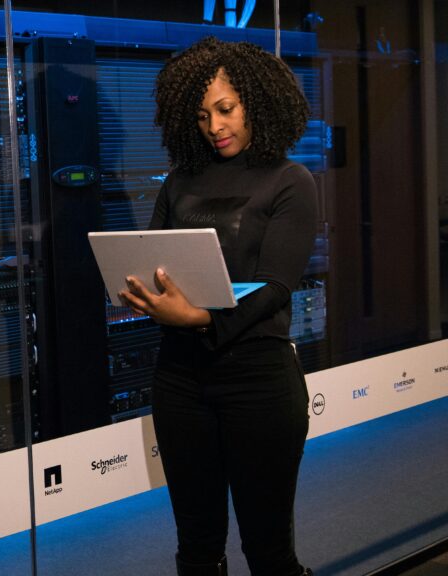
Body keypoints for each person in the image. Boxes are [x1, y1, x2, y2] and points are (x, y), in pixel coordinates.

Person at [117, 37, 316, 576]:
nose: (214, 126)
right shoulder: (180, 181)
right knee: (197, 550)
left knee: (268, 552)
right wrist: (138, 289)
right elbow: (154, 259)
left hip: (259, 382)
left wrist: (201, 317)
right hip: (181, 381)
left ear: (256, 100)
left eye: (225, 109)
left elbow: (275, 285)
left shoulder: (290, 180)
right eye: (202, 115)